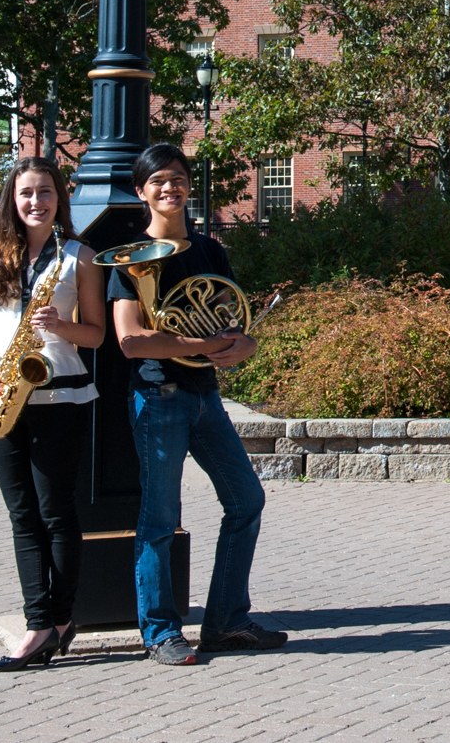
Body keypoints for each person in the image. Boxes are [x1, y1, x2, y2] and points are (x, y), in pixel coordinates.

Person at [109, 143, 286, 666]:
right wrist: (199, 348)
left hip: (205, 397)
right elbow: (132, 340)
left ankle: (226, 621)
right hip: (157, 397)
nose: (171, 188)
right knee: (159, 519)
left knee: (246, 501)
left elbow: (230, 324)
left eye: (179, 178)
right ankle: (161, 632)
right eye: (159, 180)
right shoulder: (129, 258)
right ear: (142, 191)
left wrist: (244, 344)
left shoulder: (210, 250)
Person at [0, 157, 106, 672]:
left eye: (45, 192)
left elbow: (97, 335)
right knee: (22, 518)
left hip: (60, 399)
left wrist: (61, 327)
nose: (35, 202)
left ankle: (59, 619)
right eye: (26, 193)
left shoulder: (80, 258)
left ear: (58, 198)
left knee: (56, 513)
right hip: (2, 398)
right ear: (12, 199)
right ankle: (38, 622)